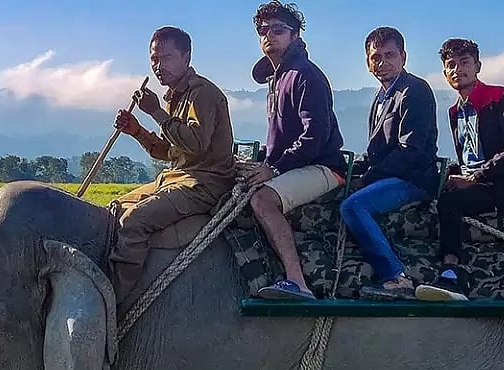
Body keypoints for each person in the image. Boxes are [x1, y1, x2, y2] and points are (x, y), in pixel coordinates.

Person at [109, 26, 236, 302]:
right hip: (176, 177)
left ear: (186, 57)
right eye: (154, 59)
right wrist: (137, 131)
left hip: (204, 183)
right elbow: (172, 151)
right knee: (114, 209)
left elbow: (196, 144)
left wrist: (155, 112)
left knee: (133, 222)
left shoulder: (202, 94)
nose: (157, 66)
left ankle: (115, 302)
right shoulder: (175, 96)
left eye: (166, 58)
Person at [242, 1, 347, 301]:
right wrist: (261, 161)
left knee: (263, 199)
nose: (269, 35)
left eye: (278, 30)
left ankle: (297, 281)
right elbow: (279, 140)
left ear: (295, 35)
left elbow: (315, 135)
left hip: (324, 167)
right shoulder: (277, 78)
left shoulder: (305, 75)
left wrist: (273, 169)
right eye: (264, 30)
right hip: (297, 165)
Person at [415, 38, 504, 303]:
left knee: (449, 203)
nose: (457, 70)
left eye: (464, 63)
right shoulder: (454, 111)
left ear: (477, 66)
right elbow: (467, 156)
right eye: (451, 65)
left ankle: (451, 272)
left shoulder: (499, 97)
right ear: (444, 74)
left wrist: (476, 177)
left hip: (496, 186)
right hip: (471, 180)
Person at [340, 27, 439, 300]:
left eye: (390, 55)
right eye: (376, 57)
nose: (383, 62)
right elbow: (376, 152)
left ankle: (395, 277)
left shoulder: (414, 91)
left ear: (403, 57)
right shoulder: (381, 97)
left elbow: (411, 150)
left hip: (414, 179)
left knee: (354, 205)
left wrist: (370, 177)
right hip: (390, 174)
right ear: (367, 62)